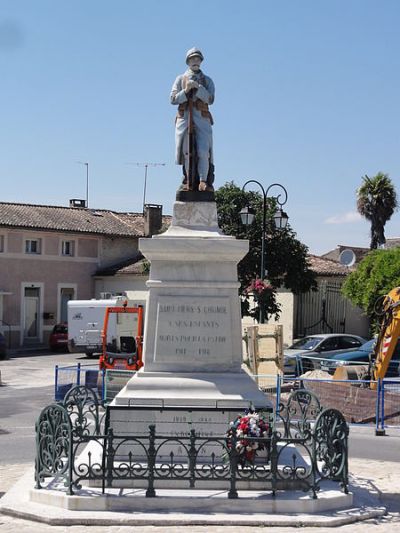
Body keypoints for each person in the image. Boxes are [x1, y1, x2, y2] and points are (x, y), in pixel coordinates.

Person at [170, 47, 215, 192]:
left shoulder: (207, 80)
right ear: (188, 61)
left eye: (197, 58)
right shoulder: (180, 79)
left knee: (203, 150)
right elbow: (173, 99)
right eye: (192, 59)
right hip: (185, 116)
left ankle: (203, 181)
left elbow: (210, 98)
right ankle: (188, 180)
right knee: (186, 151)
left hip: (201, 116)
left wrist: (199, 88)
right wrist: (187, 90)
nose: (195, 61)